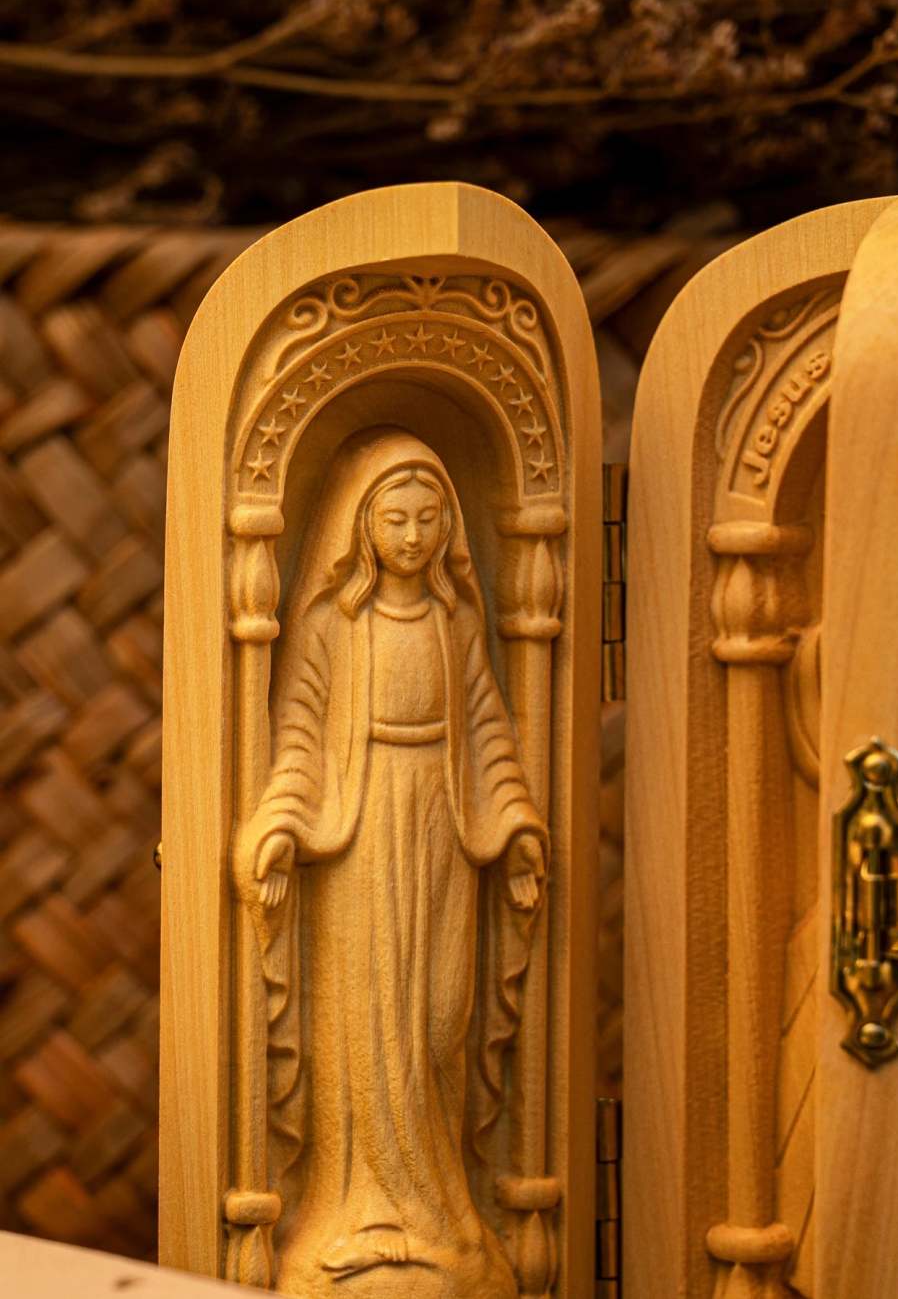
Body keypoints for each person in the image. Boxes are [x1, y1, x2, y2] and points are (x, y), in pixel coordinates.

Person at [233, 426, 546, 1299]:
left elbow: (487, 728)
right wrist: (280, 824)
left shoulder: (455, 621)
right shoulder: (332, 624)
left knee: (439, 1018)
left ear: (448, 526)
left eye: (427, 517)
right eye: (395, 518)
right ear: (361, 525)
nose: (412, 535)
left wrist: (515, 824)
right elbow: (298, 732)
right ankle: (356, 1214)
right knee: (365, 1025)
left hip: (443, 835)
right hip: (359, 844)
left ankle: (442, 1215)